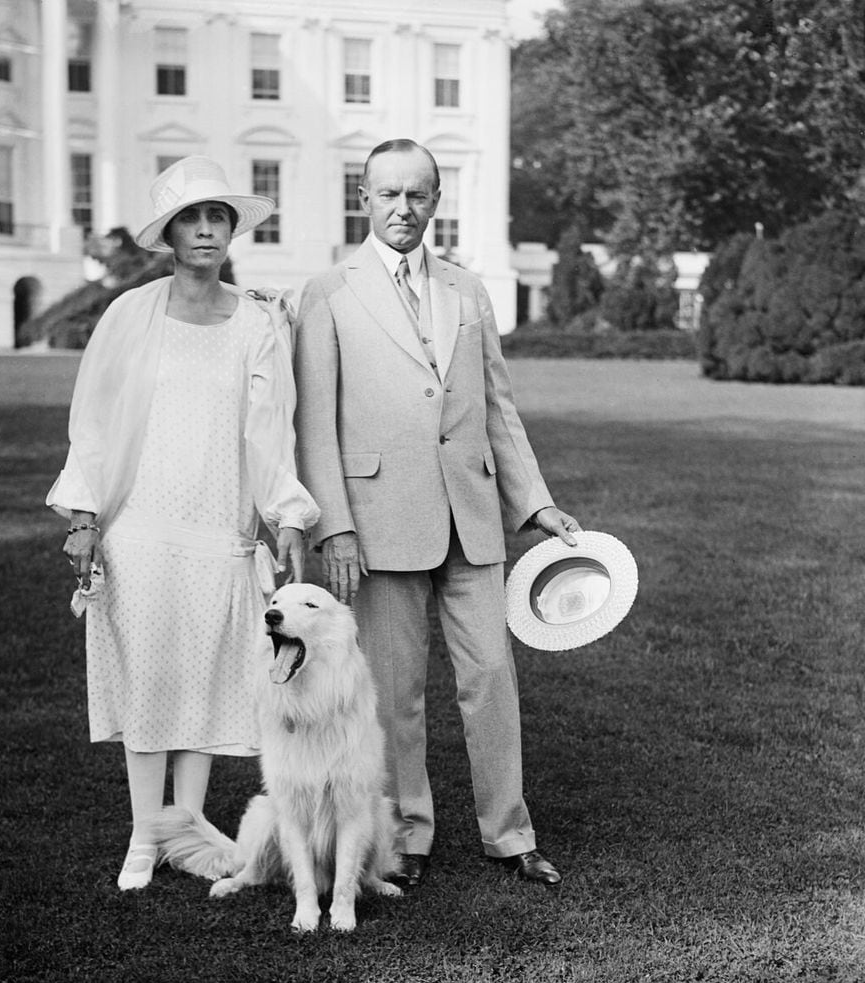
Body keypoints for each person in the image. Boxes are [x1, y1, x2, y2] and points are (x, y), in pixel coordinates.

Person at [293, 139, 578, 890]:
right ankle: (407, 835)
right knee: (395, 691)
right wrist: (336, 526)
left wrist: (536, 502)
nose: (403, 209)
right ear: (363, 199)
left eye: (417, 194)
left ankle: (510, 835)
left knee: (491, 677)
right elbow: (314, 425)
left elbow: (498, 410)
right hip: (378, 519)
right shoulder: (326, 292)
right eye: (388, 194)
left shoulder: (467, 290)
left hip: (474, 514)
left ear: (436, 201)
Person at [47, 155, 319, 891]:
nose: (205, 230)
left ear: (232, 230)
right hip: (141, 527)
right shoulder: (129, 314)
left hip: (219, 529)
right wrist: (85, 519)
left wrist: (286, 516)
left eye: (217, 218)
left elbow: (272, 431)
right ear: (167, 234)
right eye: (190, 219)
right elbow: (94, 425)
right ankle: (143, 835)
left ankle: (187, 832)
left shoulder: (258, 319)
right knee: (148, 685)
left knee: (204, 684)